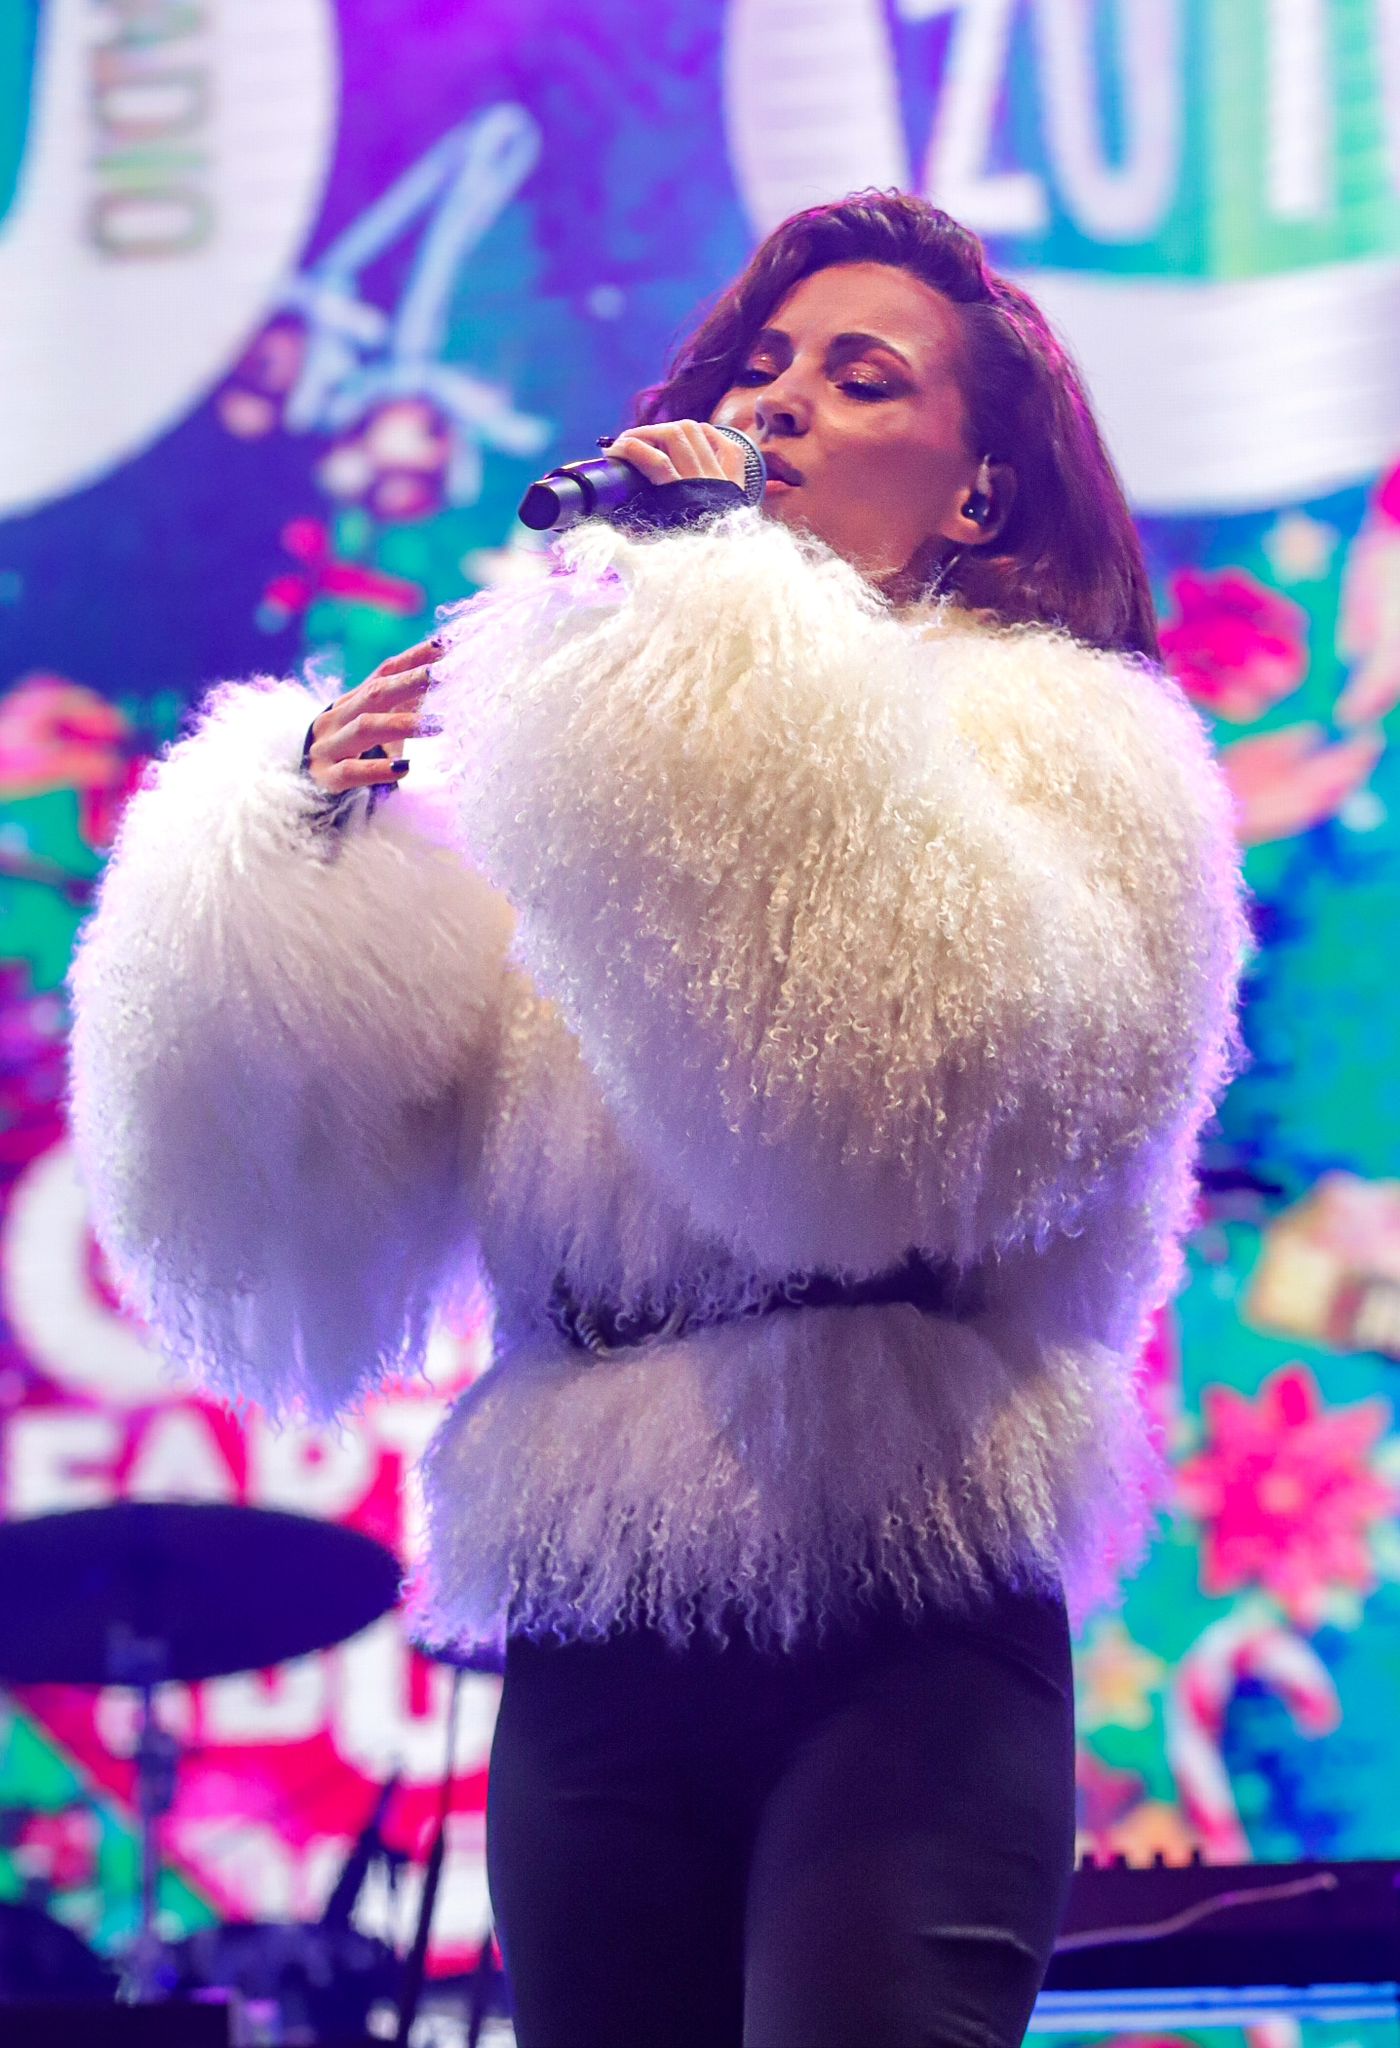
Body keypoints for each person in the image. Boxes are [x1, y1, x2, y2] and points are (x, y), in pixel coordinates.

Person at [68, 192, 1249, 2048]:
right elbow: (292, 1195)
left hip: (904, 1614)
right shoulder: (569, 786)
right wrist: (299, 867)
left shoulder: (1077, 746)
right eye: (759, 367)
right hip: (594, 1625)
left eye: (861, 379)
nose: (778, 404)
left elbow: (913, 1108)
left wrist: (721, 643)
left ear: (978, 496)